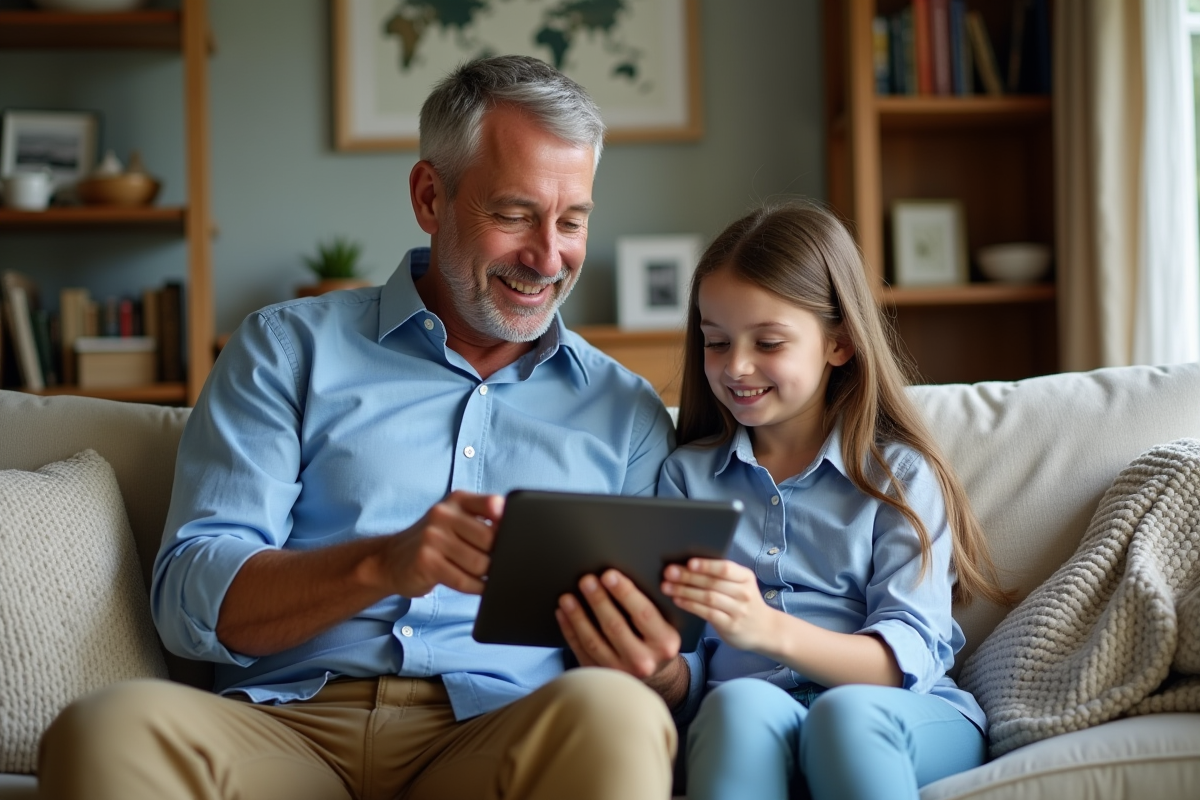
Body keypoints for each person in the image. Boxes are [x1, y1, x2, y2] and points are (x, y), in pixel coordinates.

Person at [38, 55, 694, 800]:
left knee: (617, 715)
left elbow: (678, 660)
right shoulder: (287, 350)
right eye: (514, 215)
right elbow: (189, 599)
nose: (548, 256)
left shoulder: (627, 412)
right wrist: (383, 563)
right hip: (288, 730)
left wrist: (662, 670)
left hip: (503, 735)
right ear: (429, 196)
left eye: (572, 220)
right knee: (104, 730)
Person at [657, 201, 1013, 800]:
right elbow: (687, 665)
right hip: (754, 712)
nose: (736, 366)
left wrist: (764, 628)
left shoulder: (898, 476)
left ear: (839, 344)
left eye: (767, 342)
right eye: (716, 342)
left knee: (844, 716)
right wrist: (651, 661)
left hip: (899, 714)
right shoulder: (686, 478)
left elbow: (905, 657)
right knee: (737, 704)